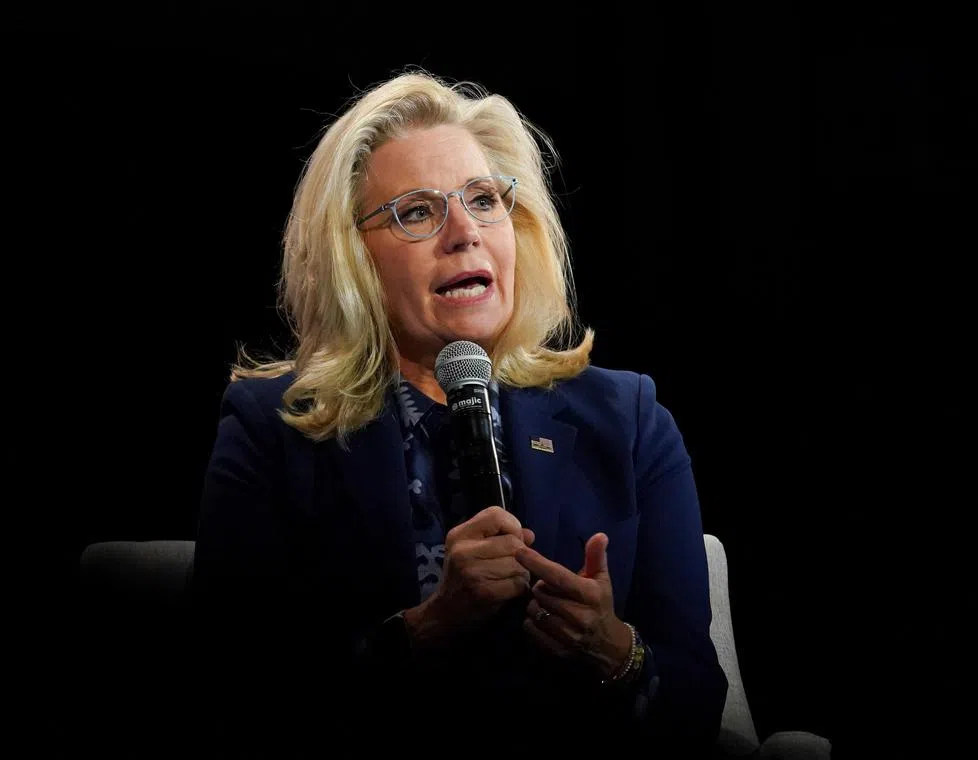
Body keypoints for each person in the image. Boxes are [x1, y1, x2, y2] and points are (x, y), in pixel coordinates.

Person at [191, 68, 727, 756]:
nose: (464, 232)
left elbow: (697, 703)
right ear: (353, 258)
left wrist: (614, 653)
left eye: (482, 200)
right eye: (417, 211)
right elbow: (230, 700)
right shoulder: (273, 431)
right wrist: (423, 633)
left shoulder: (628, 420)